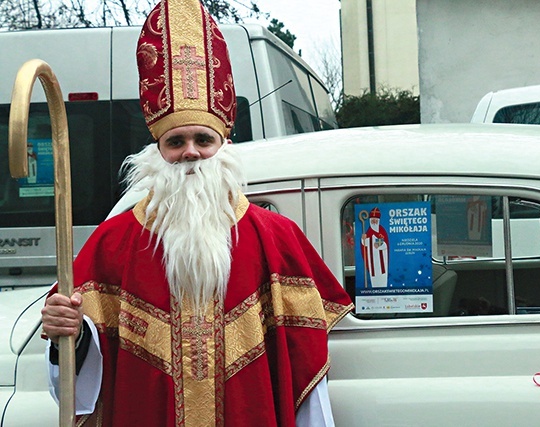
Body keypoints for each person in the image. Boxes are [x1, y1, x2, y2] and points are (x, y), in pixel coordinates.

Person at [40, 0, 353, 425]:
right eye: (176, 141)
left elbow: (305, 366)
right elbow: (82, 368)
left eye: (203, 139)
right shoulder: (113, 243)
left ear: (223, 144)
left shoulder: (275, 238)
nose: (190, 152)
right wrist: (70, 333)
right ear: (158, 150)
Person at [360, 207, 389, 288]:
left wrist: (379, 245)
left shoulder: (382, 231)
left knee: (382, 281)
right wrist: (363, 239)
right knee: (374, 281)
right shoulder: (368, 232)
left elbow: (385, 244)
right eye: (372, 220)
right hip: (372, 262)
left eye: (375, 220)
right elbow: (366, 245)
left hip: (381, 262)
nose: (374, 222)